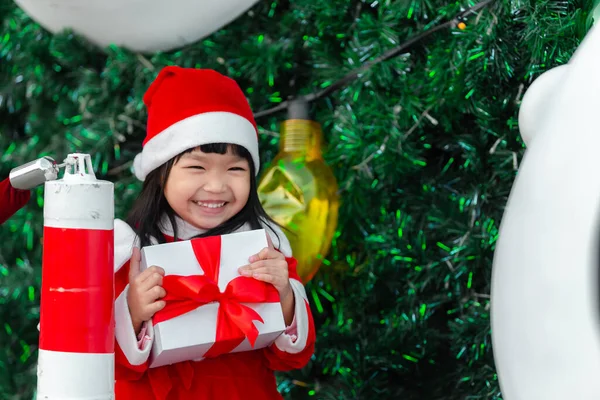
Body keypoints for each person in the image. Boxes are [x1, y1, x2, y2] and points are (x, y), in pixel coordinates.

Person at [113, 66, 316, 400]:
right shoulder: (131, 252)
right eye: (197, 166)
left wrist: (285, 296)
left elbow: (291, 357)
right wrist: (132, 311)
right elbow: (111, 364)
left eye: (236, 169)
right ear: (160, 172)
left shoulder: (265, 247)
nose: (217, 186)